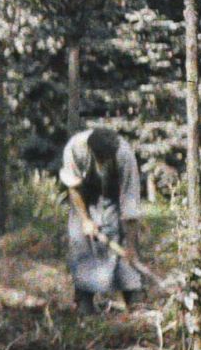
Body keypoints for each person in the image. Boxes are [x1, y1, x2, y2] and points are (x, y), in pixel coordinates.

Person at [59, 125, 146, 314]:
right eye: (100, 158)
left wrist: (130, 246)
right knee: (80, 239)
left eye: (107, 159)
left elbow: (130, 204)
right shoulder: (75, 148)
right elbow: (73, 187)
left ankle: (133, 298)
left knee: (122, 239)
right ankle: (84, 299)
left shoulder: (124, 155)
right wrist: (85, 220)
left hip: (113, 194)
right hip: (83, 194)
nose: (103, 162)